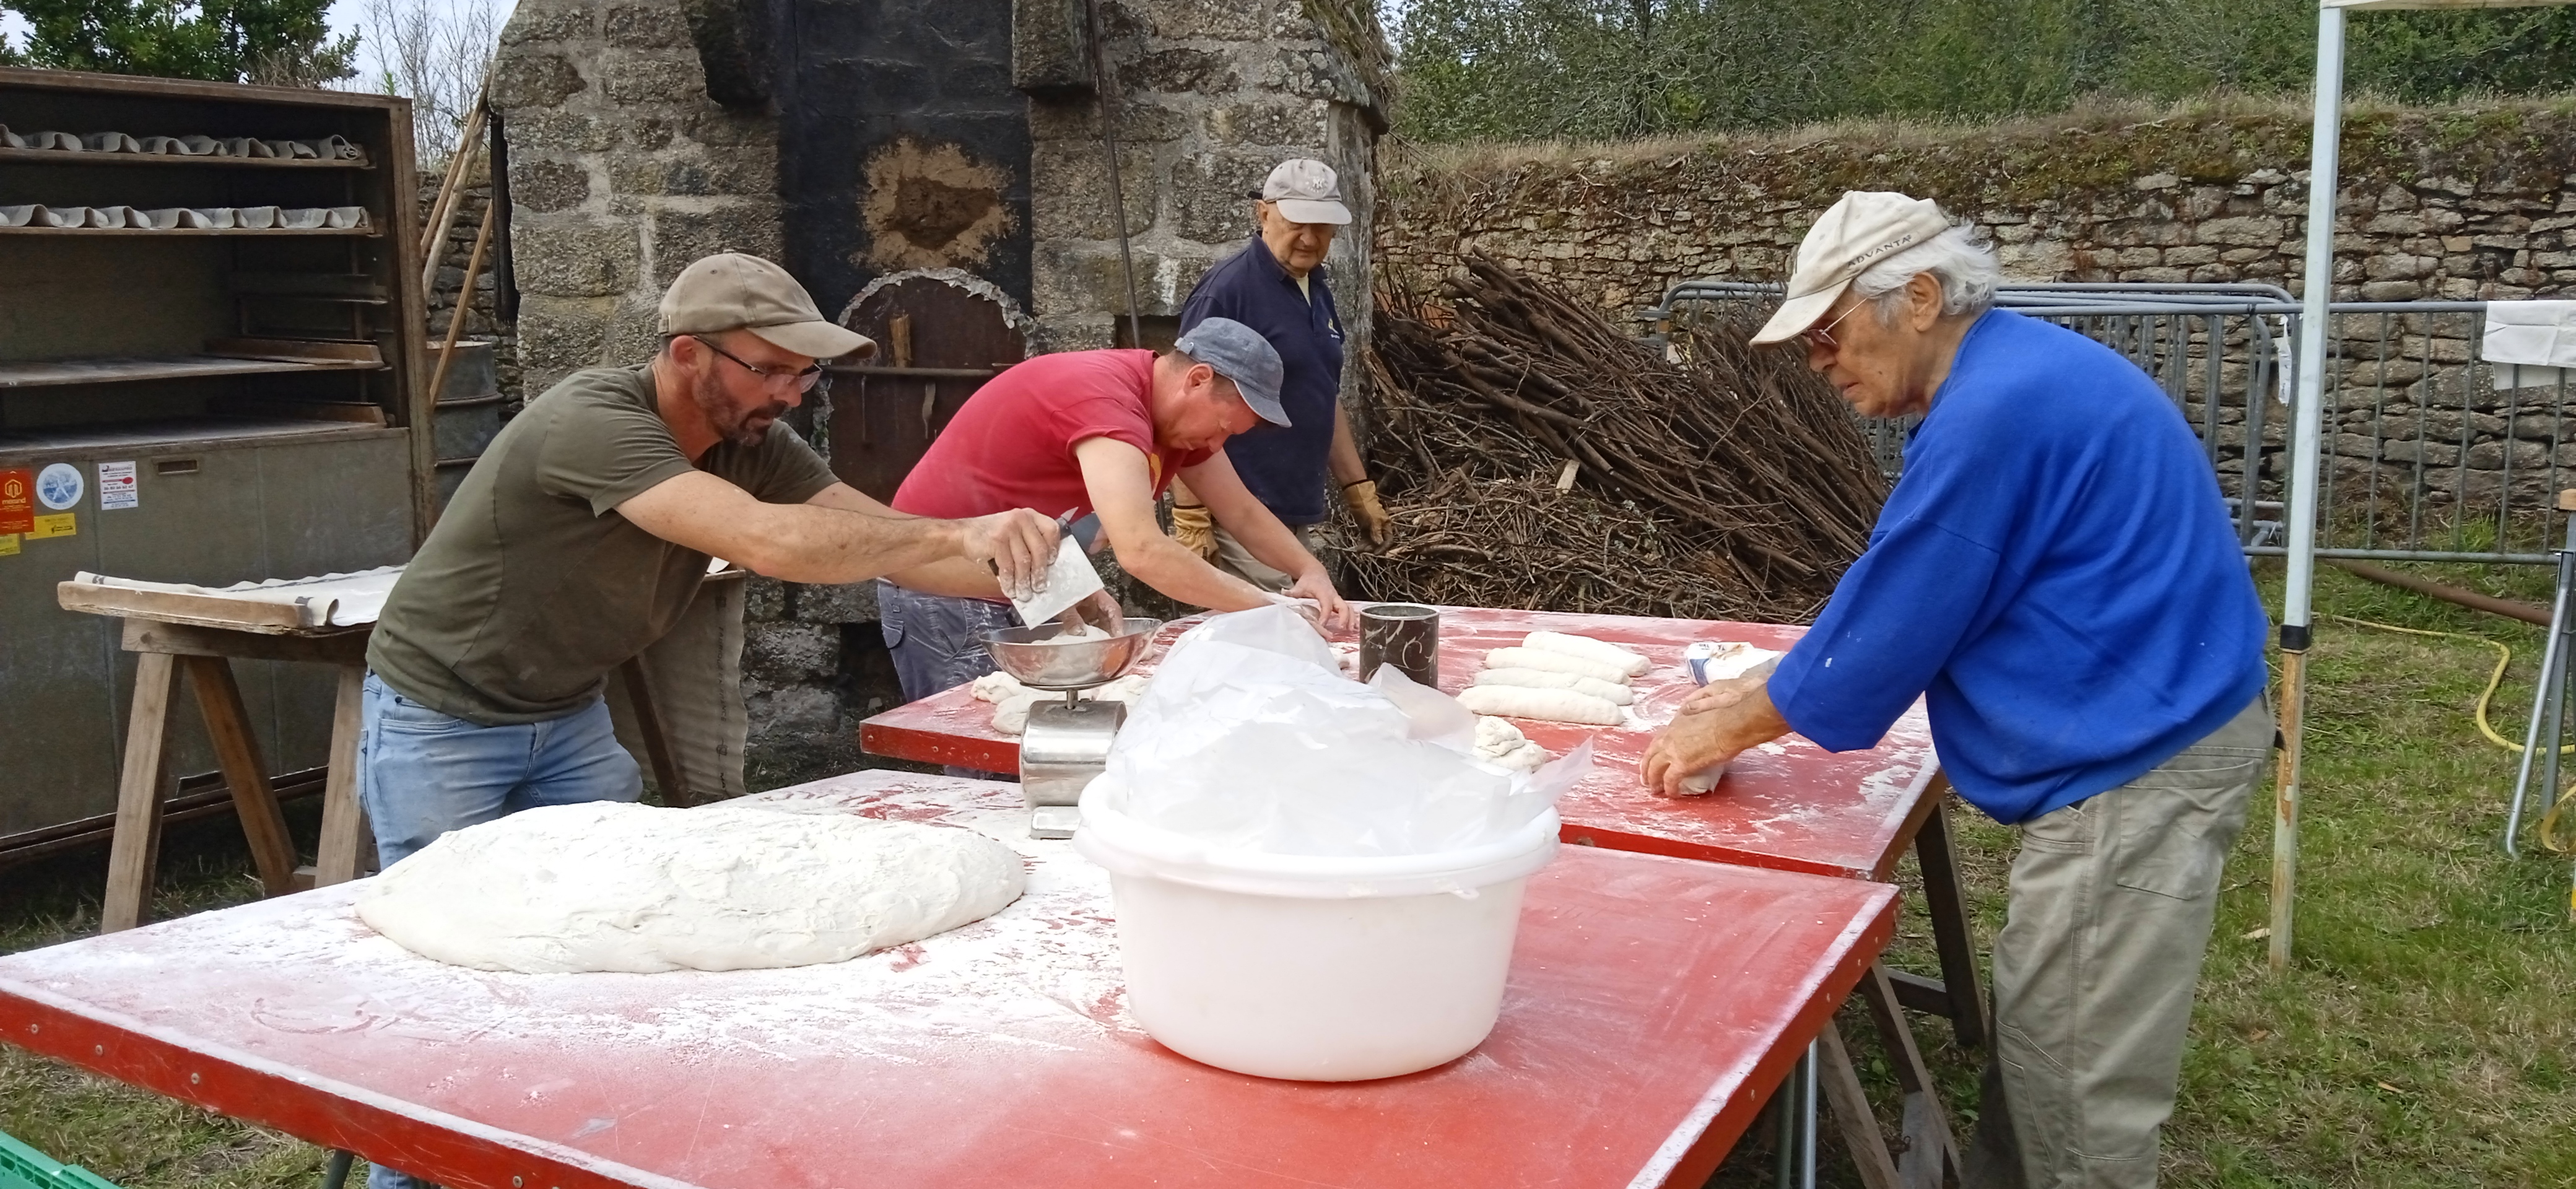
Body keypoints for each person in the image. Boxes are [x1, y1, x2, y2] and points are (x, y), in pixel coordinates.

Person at [1639, 192, 2272, 1189]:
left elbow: (1902, 620)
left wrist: (1725, 730)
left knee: (2076, 1089)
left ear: (1920, 297)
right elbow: (1914, 582)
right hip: (2155, 716)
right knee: (2045, 1030)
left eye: (1831, 334)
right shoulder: (2014, 372)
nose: (1822, 364)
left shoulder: (1994, 412)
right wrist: (1772, 680)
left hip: (2142, 756)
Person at [359, 253, 1059, 905]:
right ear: (689, 354)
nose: (790, 394)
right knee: (443, 915)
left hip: (567, 709)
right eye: (770, 370)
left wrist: (1053, 592)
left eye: (806, 373)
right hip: (444, 711)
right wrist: (956, 529)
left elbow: (892, 548)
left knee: (600, 908)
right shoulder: (596, 419)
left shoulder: (752, 440)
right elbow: (769, 541)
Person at [881, 317, 1355, 701]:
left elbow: (1243, 512)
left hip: (1026, 578)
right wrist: (1270, 607)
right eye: (1223, 428)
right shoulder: (1106, 401)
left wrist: (1307, 569)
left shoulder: (1178, 423)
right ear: (1198, 379)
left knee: (1046, 750)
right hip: (942, 583)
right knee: (987, 762)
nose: (1217, 444)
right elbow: (1142, 551)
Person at [1168, 158, 1391, 588]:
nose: (1310, 238)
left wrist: (1358, 489)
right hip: (1237, 510)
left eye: (1322, 225)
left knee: (1289, 635)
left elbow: (1322, 395)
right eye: (1297, 222)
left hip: (1291, 509)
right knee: (1277, 637)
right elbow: (1181, 403)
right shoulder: (1229, 291)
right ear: (1264, 213)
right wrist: (1191, 514)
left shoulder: (1316, 289)